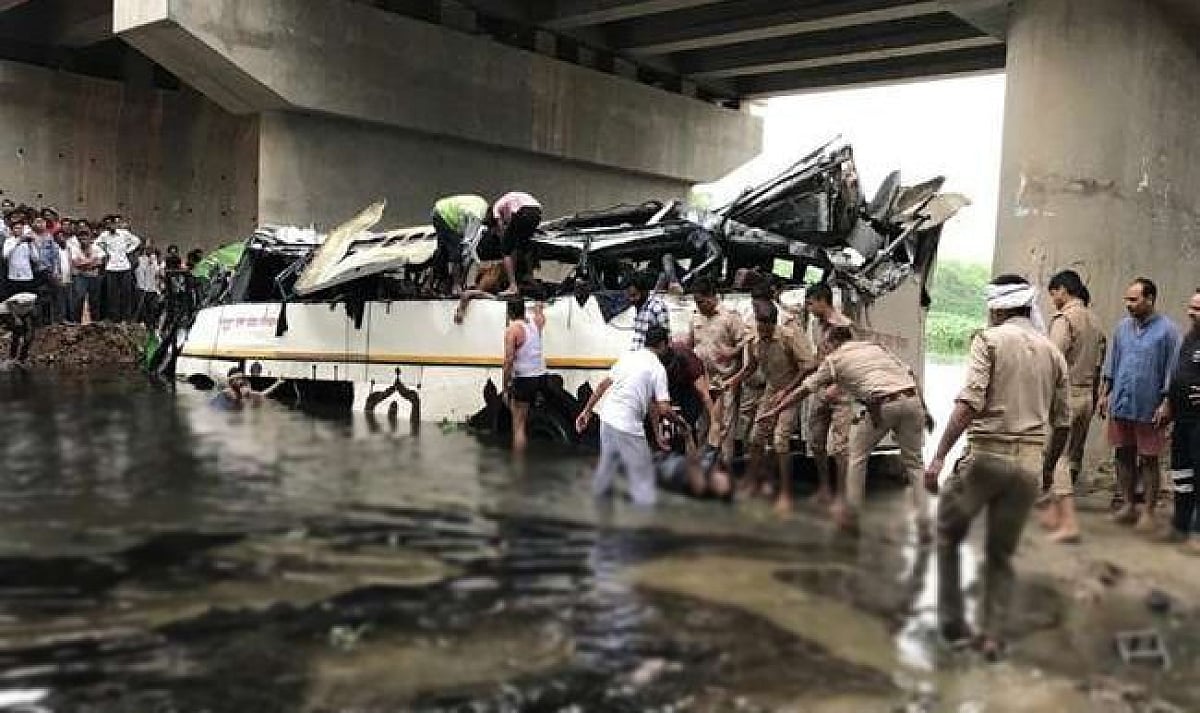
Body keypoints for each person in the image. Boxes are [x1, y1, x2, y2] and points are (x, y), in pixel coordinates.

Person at [925, 275, 1070, 658]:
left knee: (947, 536)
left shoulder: (988, 340)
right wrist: (1047, 469)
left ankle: (953, 625)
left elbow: (968, 404)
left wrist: (938, 456)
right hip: (1028, 466)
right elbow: (1064, 421)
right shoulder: (1052, 351)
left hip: (986, 459)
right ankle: (990, 636)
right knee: (1000, 554)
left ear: (999, 306)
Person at [760, 325, 929, 536]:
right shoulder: (874, 347)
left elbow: (803, 390)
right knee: (914, 464)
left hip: (883, 404)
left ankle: (851, 517)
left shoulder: (834, 360)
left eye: (825, 344)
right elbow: (910, 373)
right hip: (911, 399)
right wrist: (925, 410)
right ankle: (924, 522)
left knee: (856, 458)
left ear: (832, 344)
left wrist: (775, 410)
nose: (824, 349)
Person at [1100, 277, 1180, 532]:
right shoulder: (1122, 328)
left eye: (1134, 300)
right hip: (1121, 403)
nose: (1128, 304)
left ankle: (1148, 511)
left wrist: (1167, 403)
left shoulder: (1168, 331)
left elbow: (1173, 370)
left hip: (1150, 406)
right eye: (1127, 299)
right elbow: (1112, 364)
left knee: (1148, 459)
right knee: (1122, 454)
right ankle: (1127, 505)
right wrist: (1104, 395)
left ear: (1150, 299)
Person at [730, 300, 816, 514]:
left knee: (780, 440)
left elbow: (808, 366)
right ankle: (751, 480)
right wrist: (734, 379)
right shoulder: (754, 340)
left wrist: (787, 390)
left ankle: (785, 492)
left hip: (791, 390)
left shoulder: (789, 336)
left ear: (774, 324)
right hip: (771, 390)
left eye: (767, 328)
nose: (763, 332)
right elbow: (751, 366)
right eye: (760, 327)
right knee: (756, 438)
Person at [1040, 269, 1106, 543]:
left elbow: (1051, 360)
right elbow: (1100, 366)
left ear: (1064, 290)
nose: (1053, 298)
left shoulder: (1065, 319)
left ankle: (1068, 522)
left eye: (1053, 293)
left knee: (1058, 458)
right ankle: (1056, 511)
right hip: (1087, 396)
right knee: (1073, 454)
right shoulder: (1096, 321)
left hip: (1065, 396)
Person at [575, 325, 674, 506]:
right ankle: (645, 523)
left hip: (608, 418)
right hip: (627, 425)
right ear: (662, 344)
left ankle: (599, 516)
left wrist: (586, 411)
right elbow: (664, 408)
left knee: (607, 466)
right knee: (643, 477)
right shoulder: (658, 369)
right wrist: (683, 424)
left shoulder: (629, 357)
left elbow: (604, 385)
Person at [804, 283, 855, 506]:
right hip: (821, 388)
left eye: (811, 303)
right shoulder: (816, 325)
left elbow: (854, 361)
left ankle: (842, 495)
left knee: (840, 448)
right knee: (815, 442)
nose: (809, 308)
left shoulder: (845, 326)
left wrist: (839, 386)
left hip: (841, 392)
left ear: (822, 300)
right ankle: (824, 488)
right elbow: (818, 357)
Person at [688, 276, 745, 466]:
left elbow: (744, 346)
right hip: (702, 382)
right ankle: (702, 471)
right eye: (696, 302)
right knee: (702, 426)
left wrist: (732, 353)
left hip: (725, 381)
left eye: (701, 301)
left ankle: (724, 469)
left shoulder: (730, 317)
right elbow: (690, 345)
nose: (699, 305)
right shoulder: (695, 316)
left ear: (712, 297)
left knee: (724, 427)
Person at [1164, 289, 1200, 552]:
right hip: (1182, 419)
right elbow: (1177, 374)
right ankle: (1180, 525)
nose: (1190, 312)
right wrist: (1167, 404)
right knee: (1181, 474)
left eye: (1197, 309)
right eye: (1191, 307)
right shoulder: (1189, 338)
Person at [503, 298, 547, 453]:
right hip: (541, 377)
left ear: (509, 312)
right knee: (525, 417)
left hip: (524, 378)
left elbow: (508, 361)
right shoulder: (537, 323)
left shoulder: (513, 329)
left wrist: (505, 385)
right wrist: (538, 308)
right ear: (523, 309)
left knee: (518, 425)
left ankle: (518, 466)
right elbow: (540, 314)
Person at [431, 194, 488, 296]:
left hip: (439, 210)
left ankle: (433, 284)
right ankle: (456, 286)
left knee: (442, 251)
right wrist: (478, 262)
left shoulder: (482, 206)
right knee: (456, 252)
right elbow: (467, 242)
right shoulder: (478, 216)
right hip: (445, 215)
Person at [487, 192, 542, 296]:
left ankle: (513, 286)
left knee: (505, 249)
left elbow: (502, 229)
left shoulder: (496, 207)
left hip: (523, 211)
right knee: (524, 245)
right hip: (537, 212)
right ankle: (530, 277)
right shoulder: (510, 201)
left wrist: (503, 241)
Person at [95, 214, 141, 322]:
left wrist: (127, 250)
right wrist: (104, 253)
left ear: (115, 224)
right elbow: (96, 245)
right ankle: (114, 319)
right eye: (107, 224)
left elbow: (137, 241)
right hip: (111, 268)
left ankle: (126, 318)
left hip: (125, 267)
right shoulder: (104, 235)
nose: (110, 226)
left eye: (112, 223)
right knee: (112, 295)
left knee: (126, 293)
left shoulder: (124, 233)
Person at [627, 270, 670, 350]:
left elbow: (665, 339)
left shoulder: (657, 306)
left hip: (650, 358)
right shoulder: (637, 307)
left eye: (634, 295)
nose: (631, 299)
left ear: (644, 292)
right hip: (636, 355)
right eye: (629, 296)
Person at [69, 227, 104, 322]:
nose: (83, 238)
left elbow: (100, 262)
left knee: (94, 301)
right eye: (81, 236)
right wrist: (91, 262)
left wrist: (84, 263)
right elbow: (76, 263)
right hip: (80, 278)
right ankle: (77, 323)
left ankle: (94, 323)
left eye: (85, 236)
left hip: (94, 277)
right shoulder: (74, 249)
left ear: (90, 237)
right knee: (78, 300)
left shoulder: (97, 248)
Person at [3, 212, 38, 302]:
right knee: (14, 302)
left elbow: (36, 258)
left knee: (27, 301)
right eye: (16, 228)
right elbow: (5, 255)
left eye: (20, 228)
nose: (18, 230)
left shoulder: (28, 242)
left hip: (27, 276)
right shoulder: (9, 241)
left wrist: (32, 244)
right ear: (12, 230)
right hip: (13, 276)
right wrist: (17, 241)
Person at [0, 291, 36, 364]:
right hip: (6, 312)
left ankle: (22, 357)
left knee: (29, 334)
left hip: (20, 313)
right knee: (17, 331)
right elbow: (9, 303)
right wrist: (16, 318)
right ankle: (12, 357)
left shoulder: (33, 303)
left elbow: (28, 312)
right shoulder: (28, 297)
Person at [135, 248, 164, 329]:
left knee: (153, 308)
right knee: (143, 309)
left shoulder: (157, 263)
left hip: (153, 290)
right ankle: (143, 324)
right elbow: (139, 273)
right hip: (143, 289)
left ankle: (151, 325)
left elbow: (159, 274)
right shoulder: (140, 260)